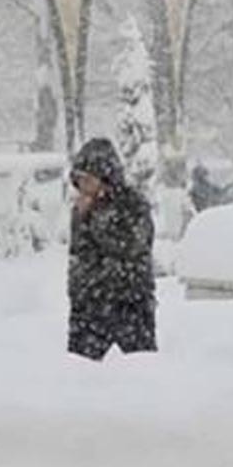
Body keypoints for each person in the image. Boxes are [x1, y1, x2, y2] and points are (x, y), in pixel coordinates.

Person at [68, 138, 157, 361]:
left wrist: (94, 220)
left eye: (88, 179)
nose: (83, 186)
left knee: (140, 368)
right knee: (81, 374)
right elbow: (79, 253)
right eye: (79, 180)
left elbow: (132, 246)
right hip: (88, 307)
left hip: (129, 304)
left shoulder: (132, 204)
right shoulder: (81, 210)